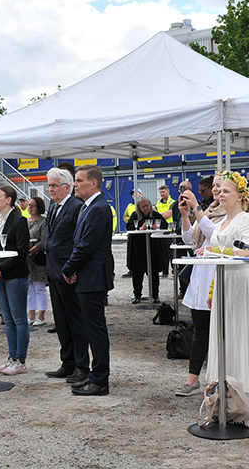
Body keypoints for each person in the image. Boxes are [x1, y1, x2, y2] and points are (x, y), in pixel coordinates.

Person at [205, 171, 249, 409]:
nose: (220, 194)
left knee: (239, 332)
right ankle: (226, 386)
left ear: (240, 195)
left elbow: (248, 252)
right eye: (219, 190)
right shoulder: (221, 222)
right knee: (224, 333)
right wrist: (212, 289)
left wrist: (216, 253)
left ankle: (245, 391)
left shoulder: (246, 219)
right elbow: (216, 256)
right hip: (223, 281)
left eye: (226, 191)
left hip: (240, 281)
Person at [63, 165, 114, 396]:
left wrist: (68, 267)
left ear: (93, 183)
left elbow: (86, 245)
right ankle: (96, 375)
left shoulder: (98, 208)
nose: (75, 184)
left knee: (95, 330)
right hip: (88, 275)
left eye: (79, 180)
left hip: (93, 277)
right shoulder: (90, 206)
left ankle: (100, 380)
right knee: (91, 327)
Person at [174, 174, 225, 397]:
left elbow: (217, 236)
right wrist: (186, 215)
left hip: (218, 277)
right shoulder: (209, 211)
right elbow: (190, 239)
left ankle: (224, 380)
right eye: (214, 187)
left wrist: (196, 208)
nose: (216, 190)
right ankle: (193, 379)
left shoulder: (232, 214)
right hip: (201, 277)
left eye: (220, 187)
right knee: (200, 330)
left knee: (222, 332)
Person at [44, 168, 89, 384]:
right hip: (54, 272)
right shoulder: (54, 207)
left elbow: (78, 241)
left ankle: (82, 366)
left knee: (75, 322)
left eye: (54, 185)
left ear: (67, 187)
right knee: (62, 322)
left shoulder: (76, 207)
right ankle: (67, 362)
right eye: (49, 185)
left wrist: (72, 269)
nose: (50, 189)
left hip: (68, 272)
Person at [0, 185, 31, 375]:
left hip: (14, 275)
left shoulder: (19, 221)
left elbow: (21, 252)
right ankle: (12, 357)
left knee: (19, 319)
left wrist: (0, 268)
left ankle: (20, 361)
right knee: (8, 319)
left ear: (8, 200)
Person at [126, 196, 168, 304]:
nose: (146, 208)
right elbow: (129, 227)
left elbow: (165, 225)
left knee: (153, 274)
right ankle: (137, 295)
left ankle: (155, 295)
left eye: (147, 205)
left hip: (153, 249)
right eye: (143, 206)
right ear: (139, 208)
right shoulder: (135, 216)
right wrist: (140, 229)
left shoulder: (155, 215)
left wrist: (156, 228)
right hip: (138, 250)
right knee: (137, 274)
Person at [26, 196, 48, 327]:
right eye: (29, 205)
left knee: (39, 287)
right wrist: (25, 256)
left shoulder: (43, 222)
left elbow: (43, 240)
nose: (29, 207)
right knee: (29, 288)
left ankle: (42, 315)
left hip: (38, 258)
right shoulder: (24, 221)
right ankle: (32, 314)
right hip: (26, 259)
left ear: (38, 207)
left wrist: (31, 252)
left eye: (32, 205)